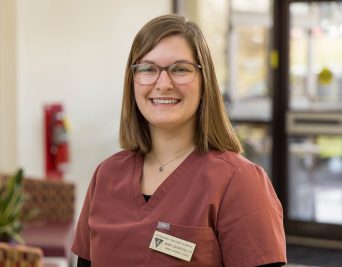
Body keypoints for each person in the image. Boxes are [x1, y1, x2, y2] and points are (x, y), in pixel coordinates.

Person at [72, 14, 287, 266]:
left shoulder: (239, 182)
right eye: (148, 69)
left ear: (204, 81)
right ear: (133, 80)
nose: (163, 84)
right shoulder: (106, 175)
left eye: (180, 69)